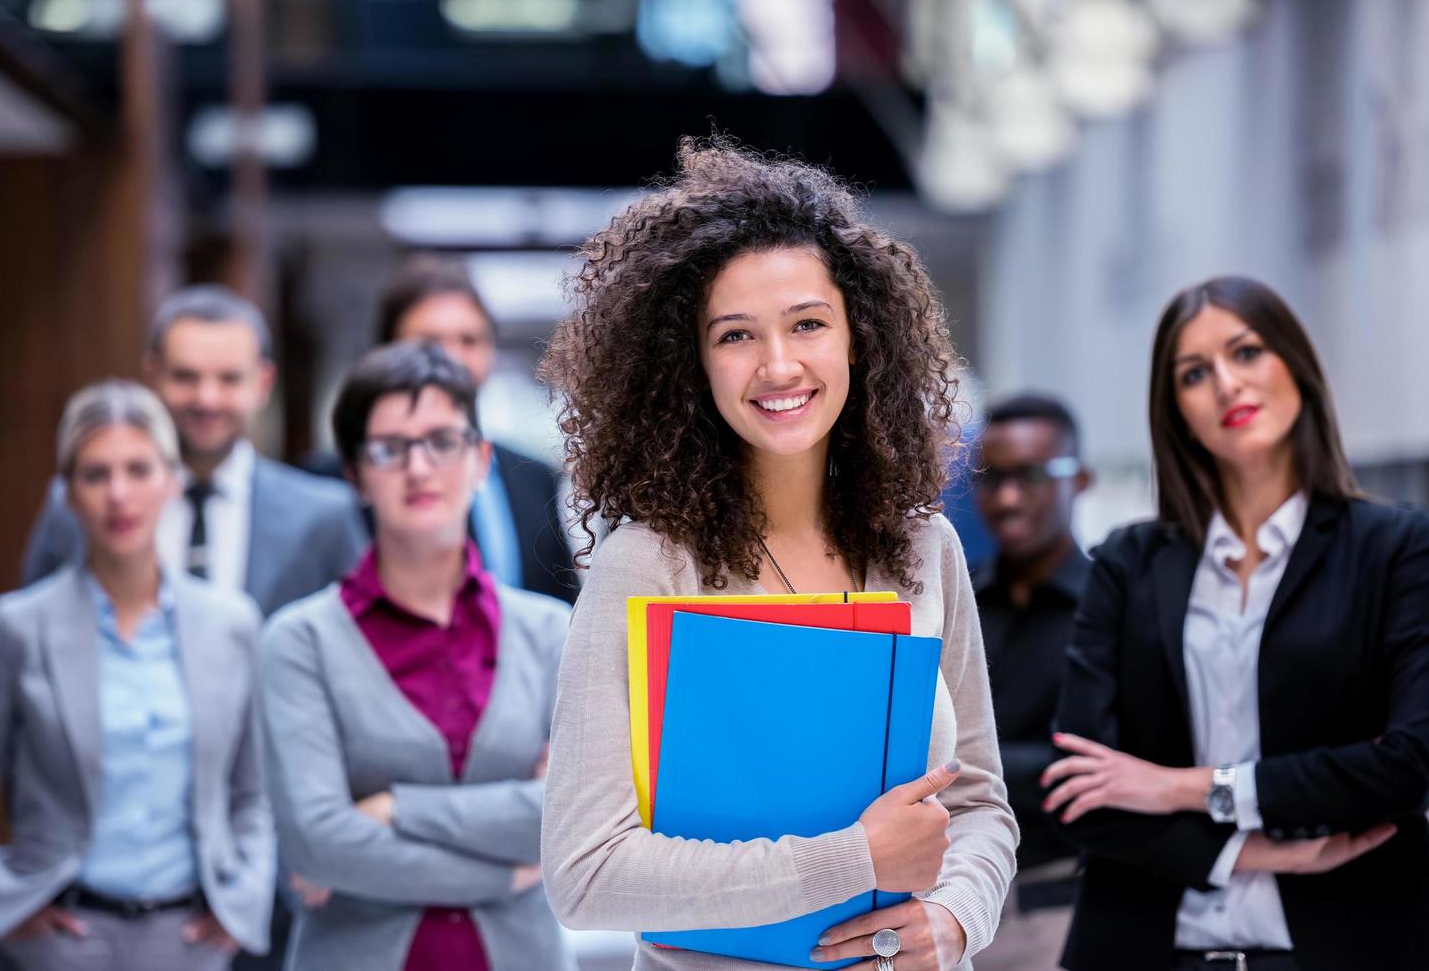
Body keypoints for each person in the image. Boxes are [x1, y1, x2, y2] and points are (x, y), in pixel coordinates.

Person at [537, 137, 1018, 971]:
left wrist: (957, 918)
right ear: (691, 362)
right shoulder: (648, 566)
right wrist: (854, 860)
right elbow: (584, 874)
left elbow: (977, 801)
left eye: (807, 323)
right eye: (734, 335)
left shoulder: (922, 547)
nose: (778, 364)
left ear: (857, 339)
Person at [1041, 275, 1429, 970]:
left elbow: (1407, 768)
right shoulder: (1128, 563)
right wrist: (1254, 850)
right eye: (1194, 374)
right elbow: (1081, 787)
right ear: (1175, 409)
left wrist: (1179, 786)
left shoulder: (1395, 547)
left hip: (1352, 947)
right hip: (1152, 950)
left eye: (1246, 352)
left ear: (1294, 365)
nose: (1226, 385)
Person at [258, 341, 575, 971]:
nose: (419, 467)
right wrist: (508, 868)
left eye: (442, 441)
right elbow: (319, 846)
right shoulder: (299, 641)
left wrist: (397, 808)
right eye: (390, 448)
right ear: (354, 474)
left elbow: (570, 818)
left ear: (481, 459)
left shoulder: (551, 634)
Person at [0, 380, 274, 970]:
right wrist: (6, 902)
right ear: (66, 493)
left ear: (171, 480)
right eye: (95, 474)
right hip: (58, 938)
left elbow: (253, 796)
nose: (120, 494)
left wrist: (241, 901)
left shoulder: (230, 625)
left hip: (190, 938)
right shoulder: (18, 627)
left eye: (139, 469)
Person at [21, 285, 366, 617]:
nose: (206, 399)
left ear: (262, 383)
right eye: (186, 377)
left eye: (229, 379)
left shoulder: (324, 517)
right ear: (153, 376)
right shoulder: (82, 503)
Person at [305, 256, 578, 603]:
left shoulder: (534, 479)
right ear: (386, 350)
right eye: (430, 341)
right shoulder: (327, 484)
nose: (453, 358)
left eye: (469, 340)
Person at [969, 394, 1091, 971]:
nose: (1008, 498)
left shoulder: (1110, 609)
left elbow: (1091, 772)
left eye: (1031, 476)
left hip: (1056, 904)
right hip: (951, 893)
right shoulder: (958, 597)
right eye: (992, 478)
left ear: (1080, 479)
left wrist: (956, 769)